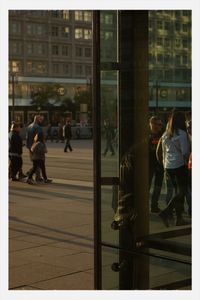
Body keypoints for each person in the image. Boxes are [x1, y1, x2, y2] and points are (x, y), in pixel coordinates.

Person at [159, 111, 190, 227]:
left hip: (168, 166)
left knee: (178, 192)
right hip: (179, 166)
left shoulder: (166, 134)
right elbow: (185, 152)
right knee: (181, 192)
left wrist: (164, 167)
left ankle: (179, 218)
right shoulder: (181, 134)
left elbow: (163, 152)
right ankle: (166, 212)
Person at [149, 116, 164, 213]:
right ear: (151, 124)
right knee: (146, 185)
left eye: (160, 124)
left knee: (158, 186)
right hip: (148, 165)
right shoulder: (146, 134)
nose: (159, 126)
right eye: (157, 124)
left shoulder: (162, 135)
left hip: (159, 165)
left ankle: (154, 205)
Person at [26, 115, 44, 181]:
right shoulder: (38, 127)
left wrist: (28, 146)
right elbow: (40, 138)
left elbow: (27, 138)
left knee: (35, 161)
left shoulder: (29, 126)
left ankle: (37, 176)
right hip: (37, 147)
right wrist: (43, 147)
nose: (41, 121)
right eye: (40, 119)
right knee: (39, 161)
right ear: (37, 119)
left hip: (30, 147)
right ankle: (35, 175)